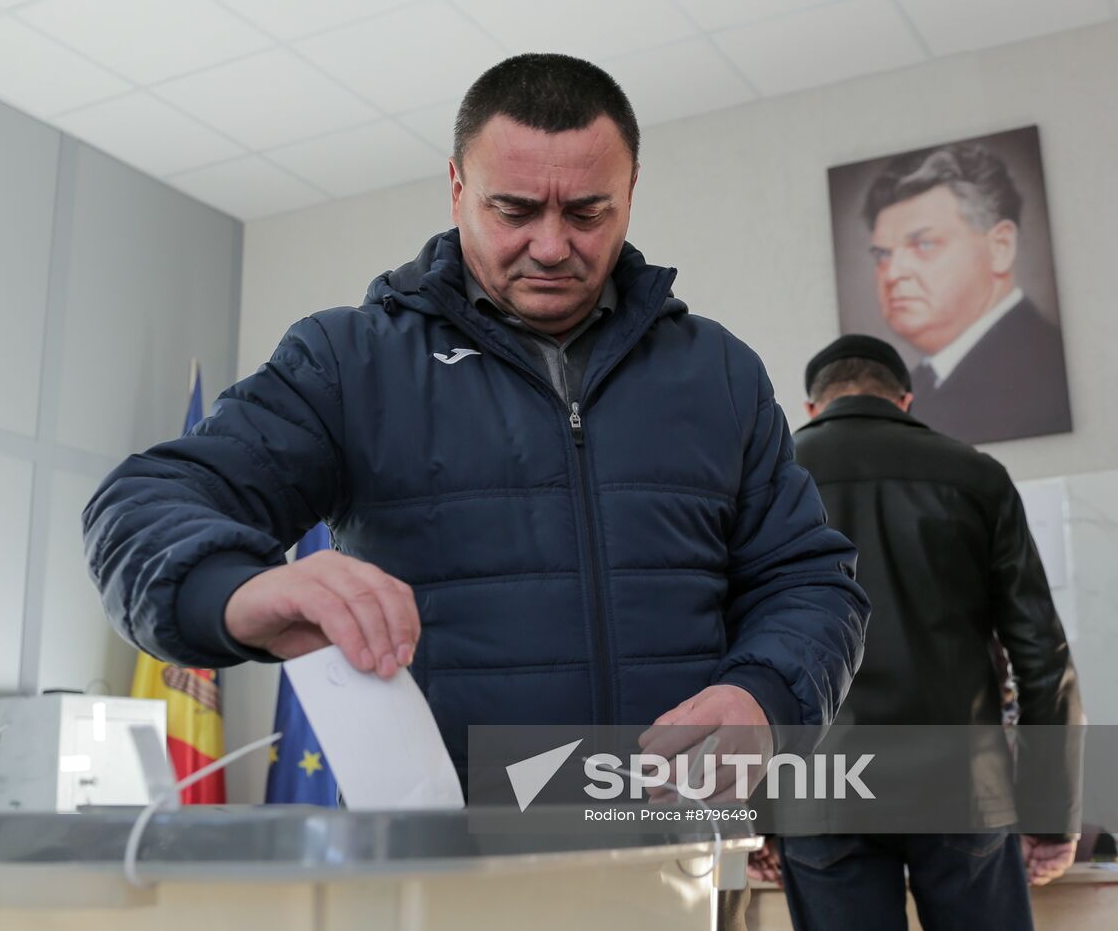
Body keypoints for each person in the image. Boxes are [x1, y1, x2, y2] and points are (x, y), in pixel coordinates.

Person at [82, 54, 867, 914]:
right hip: (436, 874)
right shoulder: (351, 361)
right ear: (457, 187)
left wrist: (769, 691)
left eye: (587, 211)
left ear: (632, 190)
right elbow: (140, 505)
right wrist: (236, 591)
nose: (552, 244)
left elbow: (812, 581)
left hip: (666, 868)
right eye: (515, 209)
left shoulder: (718, 372)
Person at [753, 334, 1083, 931]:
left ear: (812, 408)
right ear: (904, 400)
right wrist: (1052, 815)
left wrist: (755, 819)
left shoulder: (775, 480)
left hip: (822, 790)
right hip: (964, 784)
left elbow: (736, 651)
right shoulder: (977, 476)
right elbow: (1041, 657)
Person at [862, 143, 1071, 444]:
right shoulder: (914, 387)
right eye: (882, 254)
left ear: (1000, 247)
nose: (892, 274)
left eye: (924, 245)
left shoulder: (1044, 376)